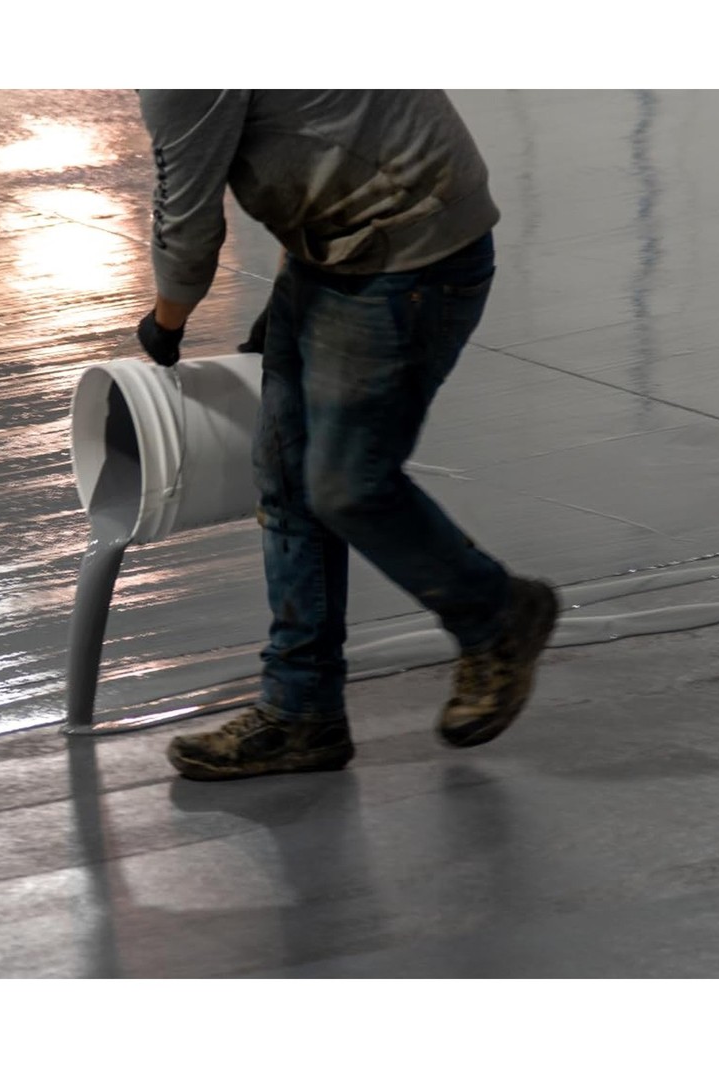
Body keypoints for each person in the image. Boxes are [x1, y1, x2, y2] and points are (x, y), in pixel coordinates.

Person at [133, 90, 558, 781]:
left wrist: (166, 323)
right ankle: (301, 713)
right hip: (345, 244)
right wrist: (292, 279)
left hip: (409, 252)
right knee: (287, 480)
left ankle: (498, 614)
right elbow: (314, 133)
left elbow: (187, 224)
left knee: (346, 486)